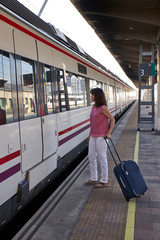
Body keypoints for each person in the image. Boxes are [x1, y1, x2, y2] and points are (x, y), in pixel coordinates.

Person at [85, 88, 115, 188]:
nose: (91, 96)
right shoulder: (93, 107)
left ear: (97, 96)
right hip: (93, 136)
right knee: (91, 156)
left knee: (102, 157)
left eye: (92, 95)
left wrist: (109, 133)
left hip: (102, 136)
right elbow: (92, 123)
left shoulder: (103, 107)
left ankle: (104, 180)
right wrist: (89, 136)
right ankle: (93, 178)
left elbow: (112, 119)